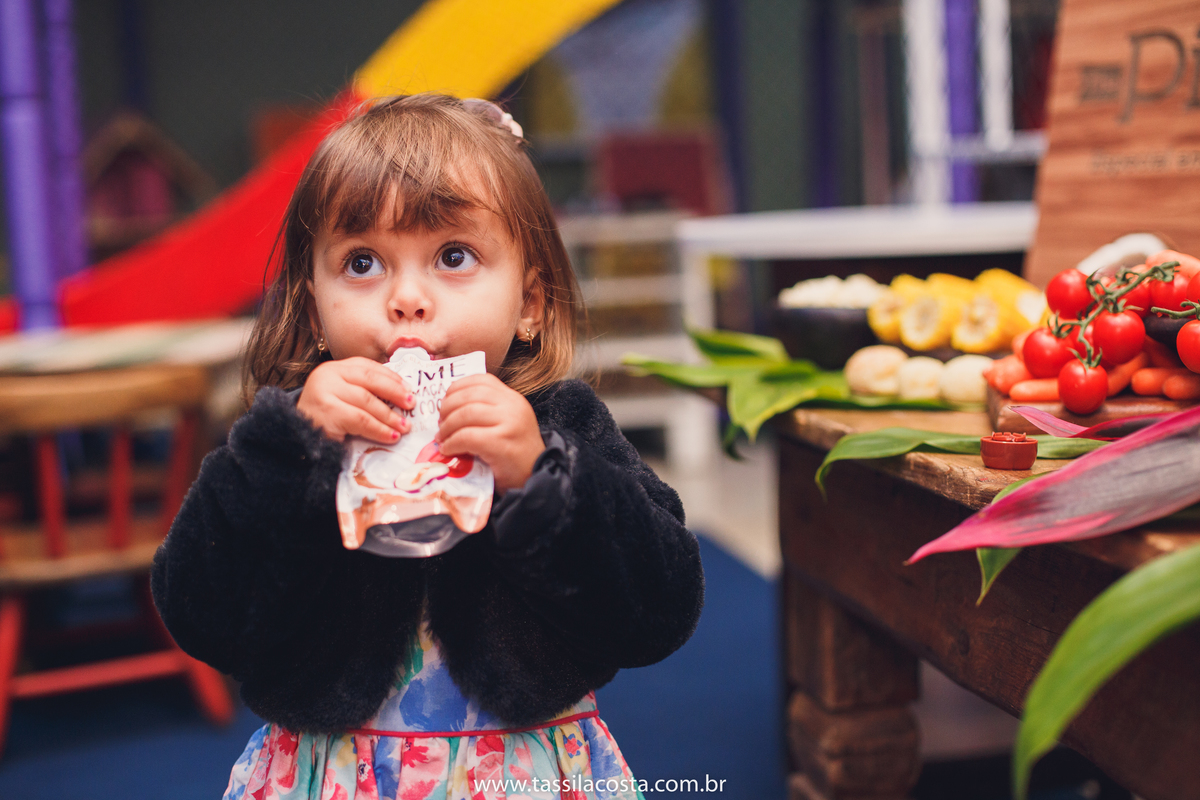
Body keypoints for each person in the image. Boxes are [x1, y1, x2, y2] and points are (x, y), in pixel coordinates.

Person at [151, 93, 705, 800]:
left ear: (530, 304)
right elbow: (200, 613)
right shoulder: (290, 437)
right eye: (361, 264)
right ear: (313, 304)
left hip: (521, 776)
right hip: (331, 778)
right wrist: (286, 457)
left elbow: (661, 611)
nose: (407, 298)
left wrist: (545, 479)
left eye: (452, 255)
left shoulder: (558, 429)